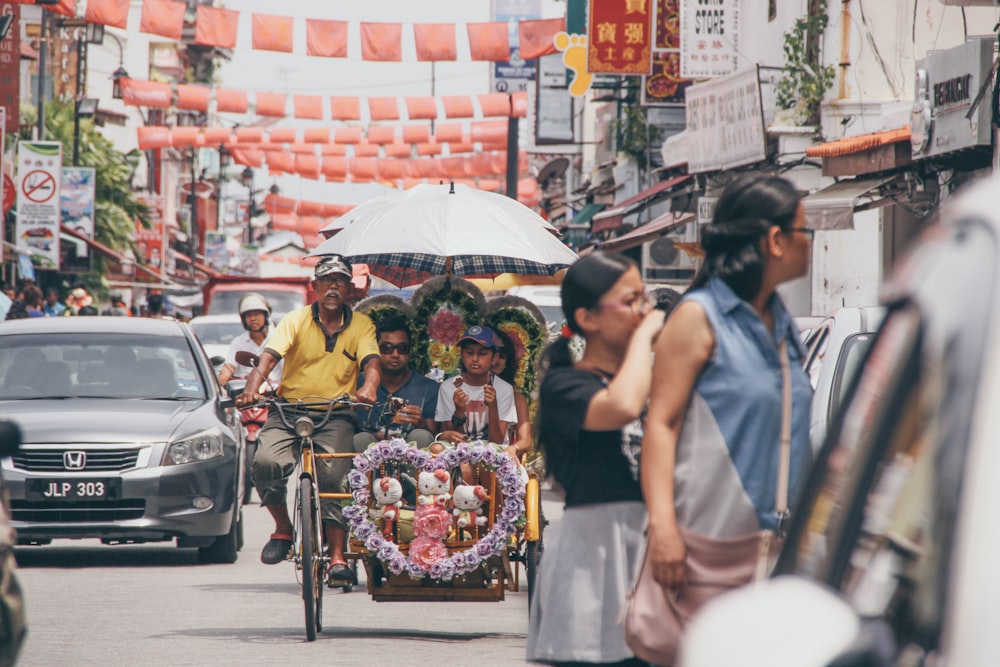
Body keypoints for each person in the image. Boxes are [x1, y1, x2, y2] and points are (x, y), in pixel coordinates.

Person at [641, 175, 814, 602]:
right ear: (775, 240)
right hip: (707, 550)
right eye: (803, 231)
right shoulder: (697, 318)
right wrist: (664, 529)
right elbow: (660, 425)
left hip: (781, 552)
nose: (810, 242)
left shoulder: (781, 319)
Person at [526, 252, 665, 667]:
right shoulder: (565, 384)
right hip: (593, 556)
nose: (645, 312)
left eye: (646, 299)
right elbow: (620, 406)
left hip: (646, 553)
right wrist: (645, 339)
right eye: (632, 301)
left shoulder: (644, 385)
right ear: (588, 318)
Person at [236, 255, 380, 586]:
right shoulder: (295, 320)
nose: (333, 287)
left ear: (349, 288)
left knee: (335, 477)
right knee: (265, 463)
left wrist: (369, 387)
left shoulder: (361, 325)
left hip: (336, 413)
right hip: (289, 410)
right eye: (326, 281)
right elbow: (269, 357)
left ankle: (338, 558)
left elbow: (371, 361)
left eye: (340, 281)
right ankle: (283, 529)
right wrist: (252, 389)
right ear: (314, 287)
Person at [353, 315, 438, 450]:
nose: (395, 354)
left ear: (410, 351)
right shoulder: (357, 383)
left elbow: (435, 436)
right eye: (387, 348)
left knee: (422, 435)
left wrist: (420, 423)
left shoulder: (428, 387)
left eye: (402, 348)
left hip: (410, 457)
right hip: (367, 456)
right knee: (360, 439)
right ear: (375, 349)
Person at [435, 324, 517, 445]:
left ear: (494, 358)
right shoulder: (448, 387)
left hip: (493, 455)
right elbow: (451, 438)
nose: (474, 358)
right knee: (438, 448)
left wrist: (493, 406)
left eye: (482, 353)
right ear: (462, 355)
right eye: (469, 352)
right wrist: (459, 412)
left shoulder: (504, 389)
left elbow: (497, 441)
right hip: (460, 452)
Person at [216, 293, 284, 389]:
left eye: (256, 314)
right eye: (249, 315)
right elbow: (228, 368)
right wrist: (217, 387)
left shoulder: (279, 339)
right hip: (244, 391)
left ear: (266, 316)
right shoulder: (238, 342)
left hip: (273, 391)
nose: (253, 319)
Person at [492, 328, 532, 461]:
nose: (496, 359)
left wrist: (513, 448)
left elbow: (525, 440)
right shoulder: (460, 389)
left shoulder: (516, 398)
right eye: (492, 352)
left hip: (500, 460)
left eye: (503, 353)